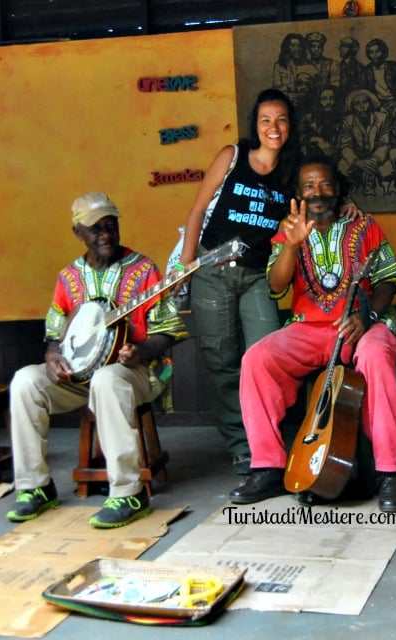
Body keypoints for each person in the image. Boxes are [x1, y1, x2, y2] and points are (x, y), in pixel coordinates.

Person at [229, 157, 396, 513]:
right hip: (306, 328)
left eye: (325, 184)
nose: (317, 192)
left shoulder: (365, 225)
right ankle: (267, 466)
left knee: (375, 356)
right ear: (297, 194)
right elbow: (276, 284)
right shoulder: (287, 231)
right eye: (309, 186)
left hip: (364, 325)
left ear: (338, 189)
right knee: (257, 359)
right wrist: (293, 244)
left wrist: (367, 314)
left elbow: (389, 280)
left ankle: (391, 472)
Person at [7, 192, 189, 528]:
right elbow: (54, 333)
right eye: (96, 229)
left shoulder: (143, 269)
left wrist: (139, 351)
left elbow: (168, 332)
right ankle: (35, 487)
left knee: (107, 379)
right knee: (24, 382)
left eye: (111, 225)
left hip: (136, 373)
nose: (106, 234)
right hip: (77, 379)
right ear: (78, 232)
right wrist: (51, 356)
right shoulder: (68, 278)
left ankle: (129, 492)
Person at [175, 88, 298, 475]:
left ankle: (269, 439)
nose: (273, 128)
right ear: (255, 125)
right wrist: (185, 263)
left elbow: (317, 197)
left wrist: (346, 202)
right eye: (265, 120)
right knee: (221, 360)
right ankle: (242, 446)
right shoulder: (231, 157)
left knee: (267, 357)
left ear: (290, 126)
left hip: (258, 276)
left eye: (280, 120)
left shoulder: (292, 172)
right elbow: (197, 210)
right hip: (212, 273)